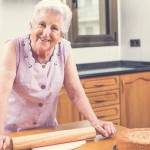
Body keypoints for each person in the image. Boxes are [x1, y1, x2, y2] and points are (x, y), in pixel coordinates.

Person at [0, 0, 116, 149]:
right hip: (12, 136)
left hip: (47, 133)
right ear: (31, 25)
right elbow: (2, 91)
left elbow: (74, 90)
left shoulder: (65, 49)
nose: (46, 33)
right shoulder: (14, 47)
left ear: (62, 34)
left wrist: (95, 121)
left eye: (54, 28)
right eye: (41, 24)